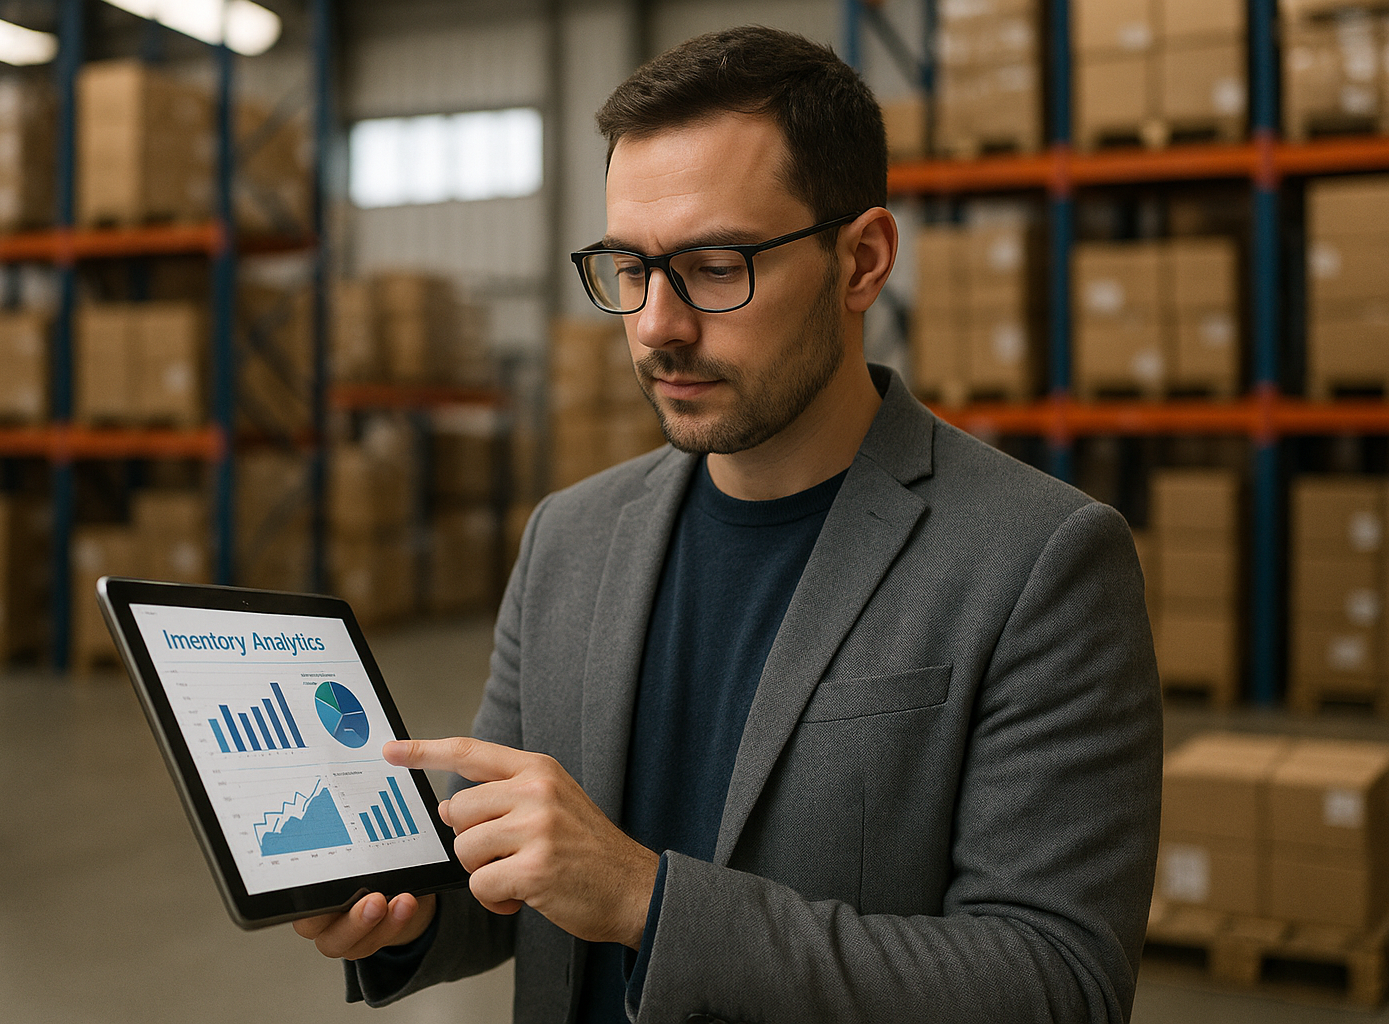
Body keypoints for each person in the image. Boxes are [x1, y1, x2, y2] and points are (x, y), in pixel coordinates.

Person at [297, 25, 1162, 1024]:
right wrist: (402, 914)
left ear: (862, 260)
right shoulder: (568, 540)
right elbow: (515, 876)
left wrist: (644, 901)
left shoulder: (1039, 562)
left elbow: (1056, 983)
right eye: (628, 266)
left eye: (714, 264)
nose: (657, 321)